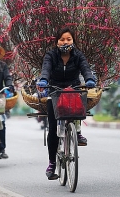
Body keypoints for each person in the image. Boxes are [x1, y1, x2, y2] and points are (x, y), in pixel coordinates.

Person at [36, 27, 96, 179]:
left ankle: (77, 131)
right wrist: (43, 80)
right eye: (62, 39)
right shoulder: (51, 55)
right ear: (57, 41)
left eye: (68, 39)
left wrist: (89, 79)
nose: (65, 42)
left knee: (77, 106)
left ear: (73, 41)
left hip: (73, 89)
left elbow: (85, 69)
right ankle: (51, 164)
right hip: (54, 91)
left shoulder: (78, 55)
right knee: (52, 129)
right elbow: (46, 69)